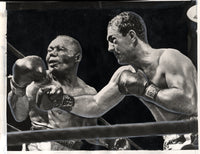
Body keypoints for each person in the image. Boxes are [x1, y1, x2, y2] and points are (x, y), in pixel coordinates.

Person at [60, 12, 197, 150]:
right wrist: (61, 100)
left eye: (113, 39)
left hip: (194, 137)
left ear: (132, 36)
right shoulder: (126, 74)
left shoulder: (169, 58)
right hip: (170, 142)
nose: (110, 48)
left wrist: (146, 89)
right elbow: (96, 104)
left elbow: (189, 103)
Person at [8, 35, 130, 151]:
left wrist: (109, 140)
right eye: (49, 50)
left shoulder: (88, 92)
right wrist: (18, 86)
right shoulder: (38, 81)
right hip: (40, 145)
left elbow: (88, 132)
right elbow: (19, 116)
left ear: (77, 57)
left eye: (60, 49)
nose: (52, 54)